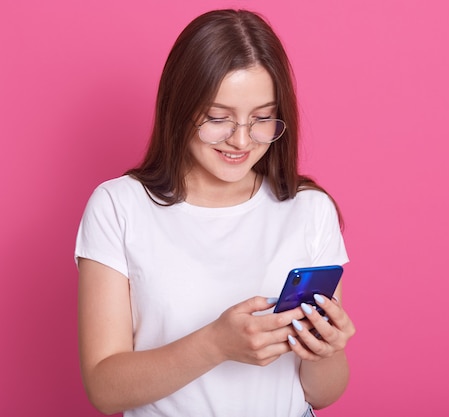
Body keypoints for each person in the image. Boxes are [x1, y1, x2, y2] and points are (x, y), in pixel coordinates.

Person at [75, 9, 355, 417]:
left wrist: (324, 351)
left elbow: (322, 394)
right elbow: (104, 388)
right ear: (179, 107)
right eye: (218, 118)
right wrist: (215, 344)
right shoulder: (119, 207)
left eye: (261, 119)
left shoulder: (309, 210)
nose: (241, 139)